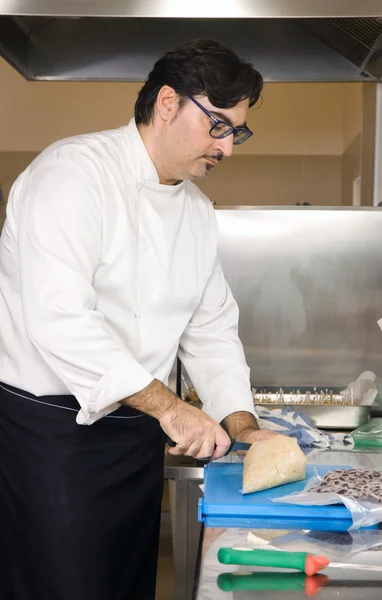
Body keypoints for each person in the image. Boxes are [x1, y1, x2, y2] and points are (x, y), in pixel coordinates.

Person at [0, 39, 277, 599]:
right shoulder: (73, 174)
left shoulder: (196, 211)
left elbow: (211, 331)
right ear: (168, 102)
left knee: (125, 585)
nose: (228, 149)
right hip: (50, 439)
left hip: (135, 440)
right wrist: (172, 410)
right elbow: (59, 321)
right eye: (218, 126)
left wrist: (244, 428)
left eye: (237, 132)